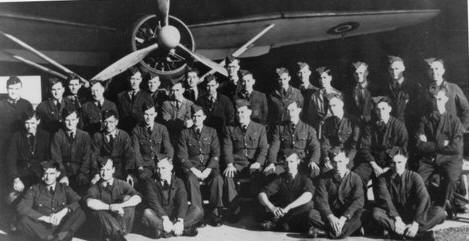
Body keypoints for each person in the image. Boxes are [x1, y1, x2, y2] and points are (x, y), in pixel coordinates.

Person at [372, 154, 446, 239]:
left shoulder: (414, 177)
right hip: (393, 216)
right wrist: (397, 218)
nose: (396, 166)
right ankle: (419, 236)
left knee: (439, 212)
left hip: (413, 215)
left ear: (405, 162)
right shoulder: (382, 178)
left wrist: (416, 223)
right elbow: (386, 200)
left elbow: (424, 198)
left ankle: (401, 233)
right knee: (376, 213)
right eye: (393, 163)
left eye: (399, 162)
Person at [416, 88, 464, 208]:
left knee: (451, 179)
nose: (436, 102)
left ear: (446, 100)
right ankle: (425, 206)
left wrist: (430, 145)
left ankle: (442, 207)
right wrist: (442, 145)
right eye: (434, 99)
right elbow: (419, 145)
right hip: (429, 159)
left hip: (450, 159)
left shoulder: (455, 121)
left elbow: (455, 148)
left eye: (440, 99)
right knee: (418, 179)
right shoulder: (425, 120)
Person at [176, 105, 223, 226]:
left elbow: (216, 153)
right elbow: (182, 156)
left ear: (204, 117)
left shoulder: (212, 131)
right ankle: (198, 213)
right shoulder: (184, 133)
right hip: (193, 167)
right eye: (194, 116)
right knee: (191, 179)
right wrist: (194, 170)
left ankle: (215, 212)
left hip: (209, 167)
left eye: (199, 116)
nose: (196, 118)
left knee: (217, 179)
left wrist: (208, 169)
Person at [222, 99, 268, 221]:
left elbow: (263, 148)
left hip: (253, 163)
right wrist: (230, 164)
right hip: (237, 163)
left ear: (249, 112)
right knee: (228, 175)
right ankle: (234, 208)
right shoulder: (230, 129)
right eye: (238, 113)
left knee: (259, 174)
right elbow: (227, 148)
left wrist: (258, 162)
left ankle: (258, 209)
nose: (240, 115)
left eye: (242, 112)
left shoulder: (259, 128)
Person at [16, 161, 85, 241]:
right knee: (23, 220)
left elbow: (79, 201)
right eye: (45, 173)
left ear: (58, 174)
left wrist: (62, 213)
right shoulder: (35, 189)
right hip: (42, 228)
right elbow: (21, 207)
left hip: (61, 227)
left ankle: (58, 238)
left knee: (81, 212)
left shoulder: (64, 188)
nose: (48, 177)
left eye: (51, 173)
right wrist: (45, 218)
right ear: (42, 175)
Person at [353, 97, 408, 187]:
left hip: (392, 162)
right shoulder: (370, 125)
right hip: (373, 161)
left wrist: (390, 166)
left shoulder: (399, 126)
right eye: (378, 109)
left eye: (383, 109)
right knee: (357, 177)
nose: (381, 112)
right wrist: (374, 165)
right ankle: (361, 200)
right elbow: (364, 147)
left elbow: (403, 148)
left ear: (389, 109)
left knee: (384, 186)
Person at [141, 157, 202, 238]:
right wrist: (165, 219)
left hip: (175, 216)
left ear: (171, 167)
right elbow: (154, 203)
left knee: (198, 210)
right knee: (147, 213)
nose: (160, 172)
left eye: (163, 168)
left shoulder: (178, 181)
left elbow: (182, 201)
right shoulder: (150, 182)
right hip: (159, 215)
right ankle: (182, 230)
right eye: (158, 169)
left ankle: (166, 230)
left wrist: (180, 220)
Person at [258, 149, 316, 234]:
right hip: (283, 213)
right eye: (286, 162)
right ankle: (282, 224)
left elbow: (308, 195)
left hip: (296, 214)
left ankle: (280, 224)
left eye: (292, 162)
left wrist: (289, 207)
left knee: (309, 205)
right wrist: (272, 207)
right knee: (265, 204)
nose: (289, 165)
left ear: (298, 162)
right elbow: (262, 193)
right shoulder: (280, 178)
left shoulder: (304, 178)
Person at [310, 152, 364, 239]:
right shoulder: (324, 178)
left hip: (346, 216)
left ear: (347, 161)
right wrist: (330, 217)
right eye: (334, 162)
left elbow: (358, 201)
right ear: (331, 162)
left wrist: (343, 218)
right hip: (331, 214)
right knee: (312, 214)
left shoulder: (355, 178)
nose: (337, 165)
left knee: (362, 214)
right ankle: (345, 232)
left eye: (340, 162)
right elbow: (321, 200)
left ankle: (325, 232)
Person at [85, 158, 142, 241]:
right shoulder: (95, 187)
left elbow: (138, 197)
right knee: (98, 212)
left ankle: (116, 234)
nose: (105, 173)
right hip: (105, 225)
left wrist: (121, 205)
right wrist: (109, 207)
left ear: (113, 170)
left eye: (108, 169)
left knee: (129, 201)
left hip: (122, 223)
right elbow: (89, 203)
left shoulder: (121, 183)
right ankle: (117, 236)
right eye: (102, 170)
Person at [265, 100, 320, 178]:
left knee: (314, 171)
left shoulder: (308, 129)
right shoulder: (280, 128)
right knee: (269, 173)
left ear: (299, 110)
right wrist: (271, 162)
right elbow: (274, 147)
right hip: (284, 162)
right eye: (288, 110)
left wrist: (313, 161)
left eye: (293, 110)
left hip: (301, 162)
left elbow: (315, 147)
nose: (290, 113)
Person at [0, 76, 33, 199]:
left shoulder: (26, 104)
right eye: (11, 88)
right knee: (6, 181)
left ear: (21, 89)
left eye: (17, 88)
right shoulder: (1, 105)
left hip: (22, 147)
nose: (13, 91)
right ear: (7, 89)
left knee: (23, 180)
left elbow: (31, 126)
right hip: (3, 147)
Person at [7, 111, 50, 198]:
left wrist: (46, 176)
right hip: (22, 176)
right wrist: (16, 179)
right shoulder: (17, 136)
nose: (29, 126)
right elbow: (10, 160)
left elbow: (49, 158)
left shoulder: (45, 136)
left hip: (40, 176)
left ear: (38, 121)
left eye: (32, 123)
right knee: (12, 200)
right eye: (27, 123)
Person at [51, 108, 92, 193]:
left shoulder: (85, 136)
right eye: (67, 120)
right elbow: (56, 158)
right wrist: (63, 175)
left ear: (77, 120)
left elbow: (87, 158)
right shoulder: (57, 135)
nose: (70, 123)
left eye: (73, 120)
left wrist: (82, 173)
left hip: (81, 172)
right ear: (63, 120)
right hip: (64, 171)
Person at [423, 58, 469, 130]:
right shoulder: (426, 91)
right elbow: (423, 115)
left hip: (450, 132)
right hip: (432, 133)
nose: (434, 72)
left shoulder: (453, 88)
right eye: (431, 69)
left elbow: (466, 110)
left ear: (443, 71)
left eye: (437, 68)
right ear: (428, 72)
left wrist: (461, 129)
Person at [91, 109, 135, 185]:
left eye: (111, 122)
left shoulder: (124, 136)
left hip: (121, 170)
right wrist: (96, 173)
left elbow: (130, 156)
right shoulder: (97, 136)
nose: (108, 125)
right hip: (103, 169)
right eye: (105, 122)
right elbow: (94, 156)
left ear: (116, 122)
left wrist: (129, 173)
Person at [132, 103, 173, 182]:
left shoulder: (162, 129)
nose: (148, 117)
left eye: (151, 114)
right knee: (143, 178)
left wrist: (168, 162)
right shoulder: (136, 130)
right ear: (142, 114)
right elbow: (136, 152)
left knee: (166, 179)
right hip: (146, 165)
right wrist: (140, 167)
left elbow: (168, 147)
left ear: (155, 114)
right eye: (146, 114)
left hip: (161, 163)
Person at [321, 95, 360, 172]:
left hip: (348, 157)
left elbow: (355, 144)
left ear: (341, 104)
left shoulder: (353, 121)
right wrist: (326, 158)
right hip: (333, 156)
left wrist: (348, 159)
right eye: (330, 106)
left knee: (347, 174)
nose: (332, 108)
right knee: (325, 173)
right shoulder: (328, 122)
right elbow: (325, 143)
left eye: (334, 105)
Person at [304, 66, 342, 135]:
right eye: (320, 78)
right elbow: (311, 115)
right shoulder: (314, 96)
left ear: (330, 78)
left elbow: (341, 115)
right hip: (320, 129)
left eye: (324, 77)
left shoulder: (338, 94)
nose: (322, 80)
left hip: (335, 128)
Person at [116, 67, 153, 133]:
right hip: (124, 130)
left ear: (141, 80)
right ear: (128, 79)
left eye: (137, 79)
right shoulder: (120, 96)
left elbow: (150, 115)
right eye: (132, 79)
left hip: (141, 131)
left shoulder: (147, 96)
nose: (135, 82)